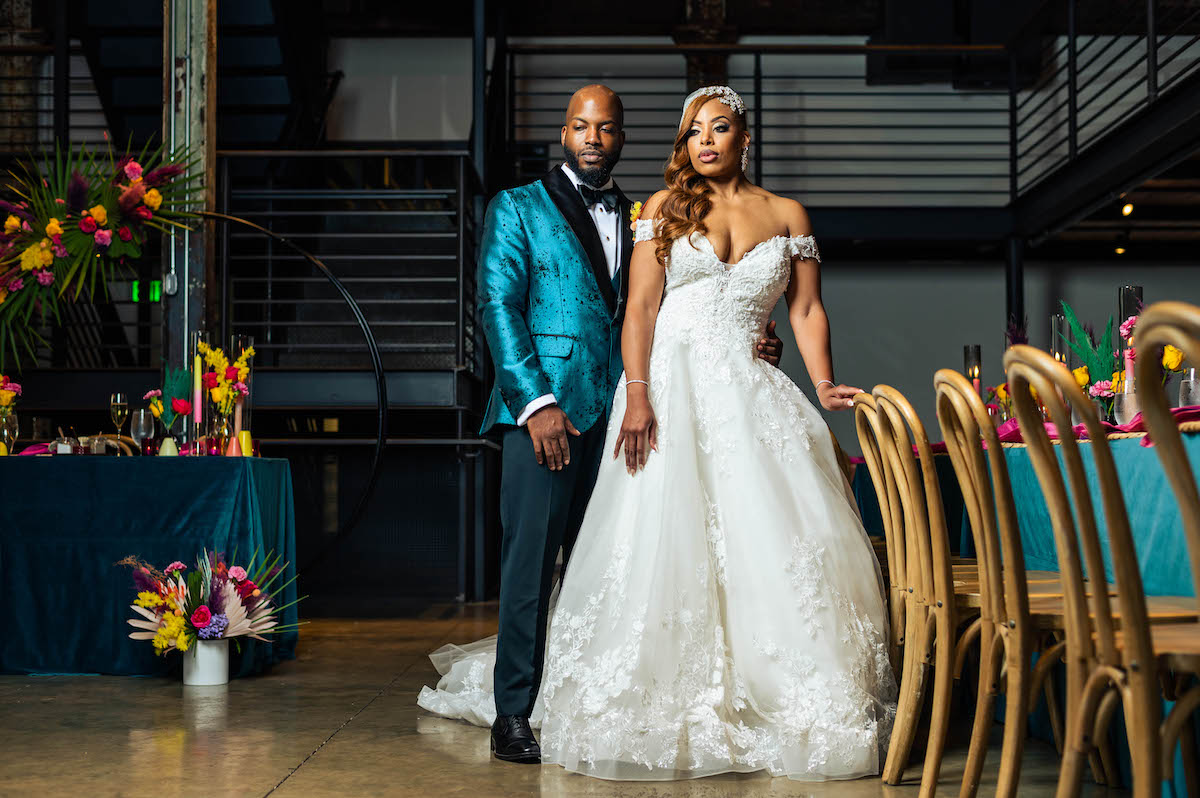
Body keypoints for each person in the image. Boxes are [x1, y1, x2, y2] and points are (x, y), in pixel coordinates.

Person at [417, 84, 786, 765]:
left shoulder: (651, 215)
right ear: (565, 134)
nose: (593, 137)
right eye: (581, 126)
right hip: (543, 416)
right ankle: (514, 715)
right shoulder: (517, 207)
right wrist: (537, 404)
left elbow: (677, 310)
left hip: (630, 417)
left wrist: (755, 342)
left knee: (613, 569)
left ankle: (584, 700)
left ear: (621, 139)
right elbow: (498, 307)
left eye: (607, 128)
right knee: (530, 566)